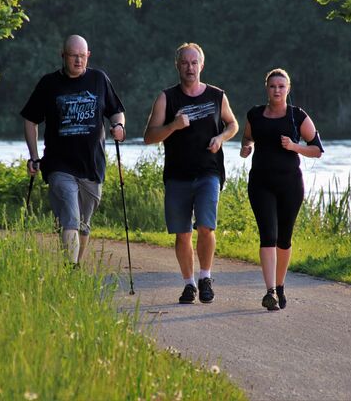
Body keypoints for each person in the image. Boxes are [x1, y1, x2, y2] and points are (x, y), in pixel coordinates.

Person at [144, 42, 239, 304]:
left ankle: (205, 277)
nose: (190, 67)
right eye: (185, 62)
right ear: (177, 65)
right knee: (182, 233)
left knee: (206, 227)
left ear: (202, 65)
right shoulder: (167, 98)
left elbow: (232, 124)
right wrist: (173, 125)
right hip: (177, 175)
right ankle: (188, 284)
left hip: (209, 171)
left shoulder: (216, 95)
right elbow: (149, 136)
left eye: (194, 62)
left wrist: (221, 137)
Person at [21, 34, 126, 267]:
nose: (78, 61)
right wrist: (34, 156)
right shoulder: (49, 84)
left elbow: (116, 110)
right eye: (73, 56)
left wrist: (118, 126)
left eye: (82, 56)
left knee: (84, 224)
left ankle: (75, 270)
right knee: (71, 215)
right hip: (59, 165)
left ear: (88, 55)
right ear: (63, 56)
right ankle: (70, 268)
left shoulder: (99, 79)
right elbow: (30, 119)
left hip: (92, 165)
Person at [240, 68, 324, 311]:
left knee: (284, 239)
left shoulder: (297, 116)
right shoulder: (255, 115)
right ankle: (269, 293)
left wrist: (294, 147)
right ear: (266, 88)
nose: (277, 90)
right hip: (260, 183)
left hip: (290, 185)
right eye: (272, 86)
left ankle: (280, 286)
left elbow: (317, 150)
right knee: (268, 235)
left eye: (281, 86)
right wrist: (246, 148)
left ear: (288, 89)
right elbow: (247, 138)